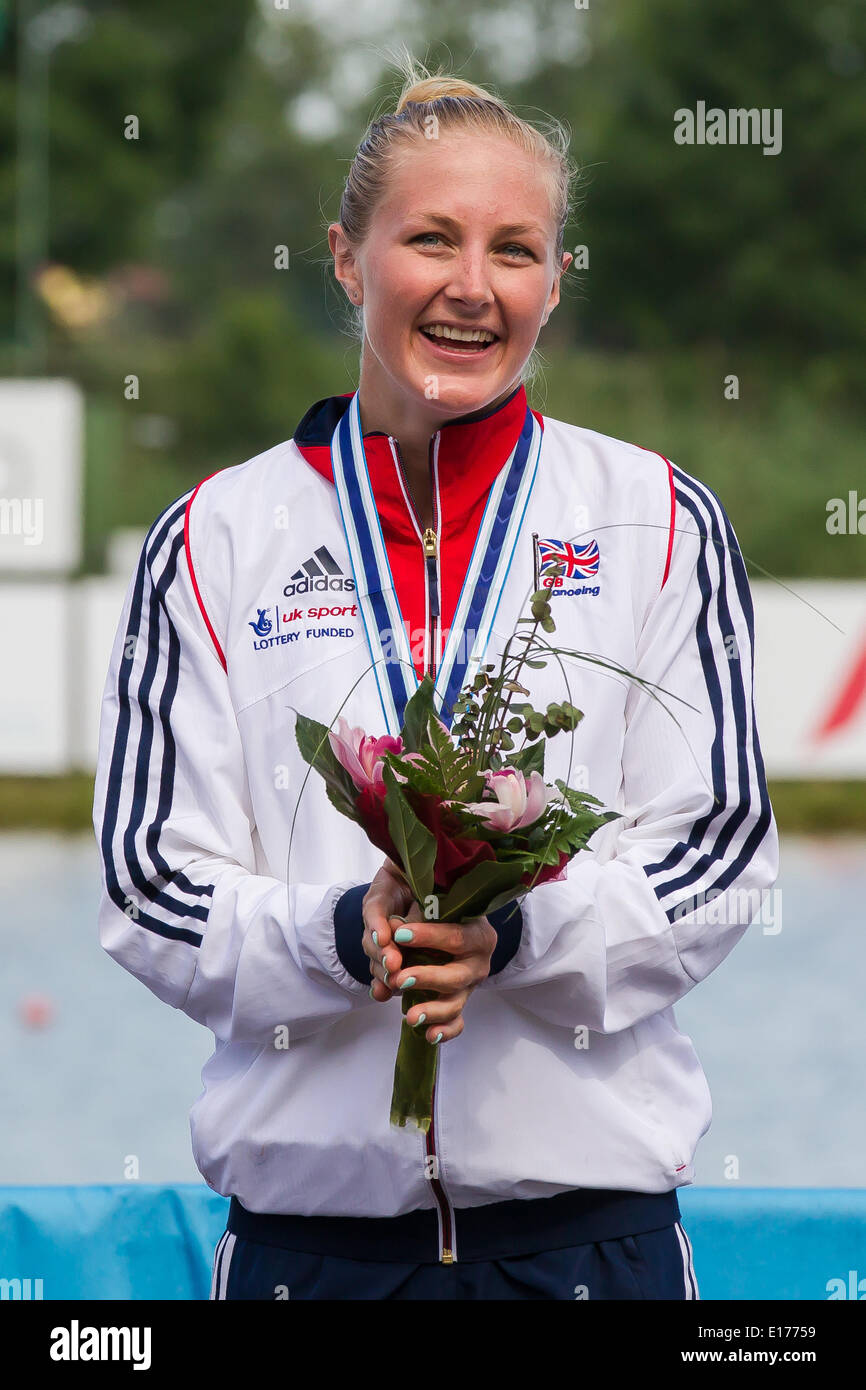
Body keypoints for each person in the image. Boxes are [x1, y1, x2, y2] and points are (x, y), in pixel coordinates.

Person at [92, 59, 778, 1301]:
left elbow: (719, 861)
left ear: (556, 280)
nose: (473, 287)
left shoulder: (657, 520)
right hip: (314, 1255)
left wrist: (514, 932)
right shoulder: (210, 538)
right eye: (430, 240)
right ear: (348, 259)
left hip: (588, 1248)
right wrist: (333, 937)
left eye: (515, 249)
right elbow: (148, 883)